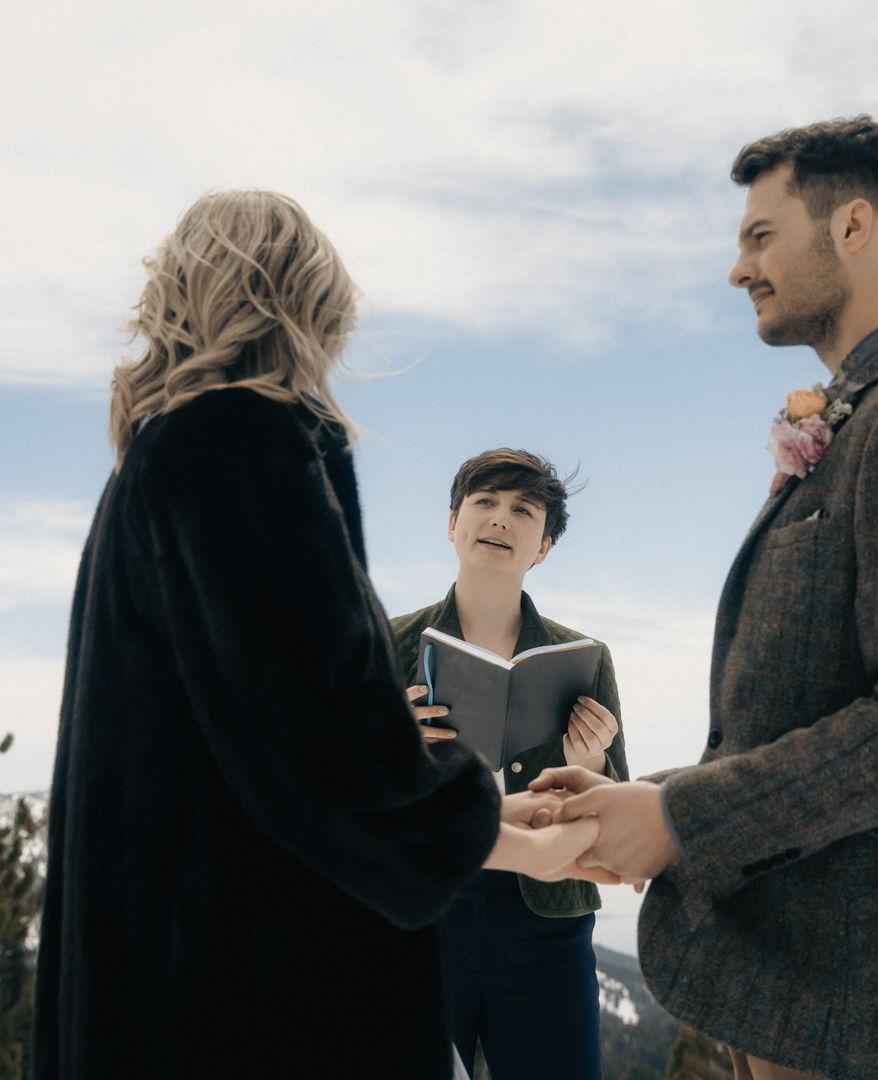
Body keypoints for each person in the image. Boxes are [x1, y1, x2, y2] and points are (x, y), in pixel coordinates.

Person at [533, 117, 878, 1079]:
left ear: (854, 227)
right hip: (797, 991)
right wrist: (649, 795)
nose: (737, 268)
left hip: (860, 1003)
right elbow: (806, 705)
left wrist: (677, 824)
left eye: (759, 235)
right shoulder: (866, 414)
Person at [32, 191, 598, 1080]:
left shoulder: (158, 453)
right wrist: (516, 840)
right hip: (250, 983)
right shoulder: (244, 446)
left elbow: (256, 725)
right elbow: (320, 750)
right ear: (303, 298)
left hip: (163, 965)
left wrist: (492, 812)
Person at [390, 448, 629, 1080]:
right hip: (421, 922)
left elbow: (619, 810)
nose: (501, 519)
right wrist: (391, 748)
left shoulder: (586, 659)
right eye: (485, 502)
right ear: (452, 523)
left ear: (543, 547)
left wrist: (594, 765)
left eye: (523, 510)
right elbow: (334, 797)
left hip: (547, 925)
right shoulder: (386, 646)